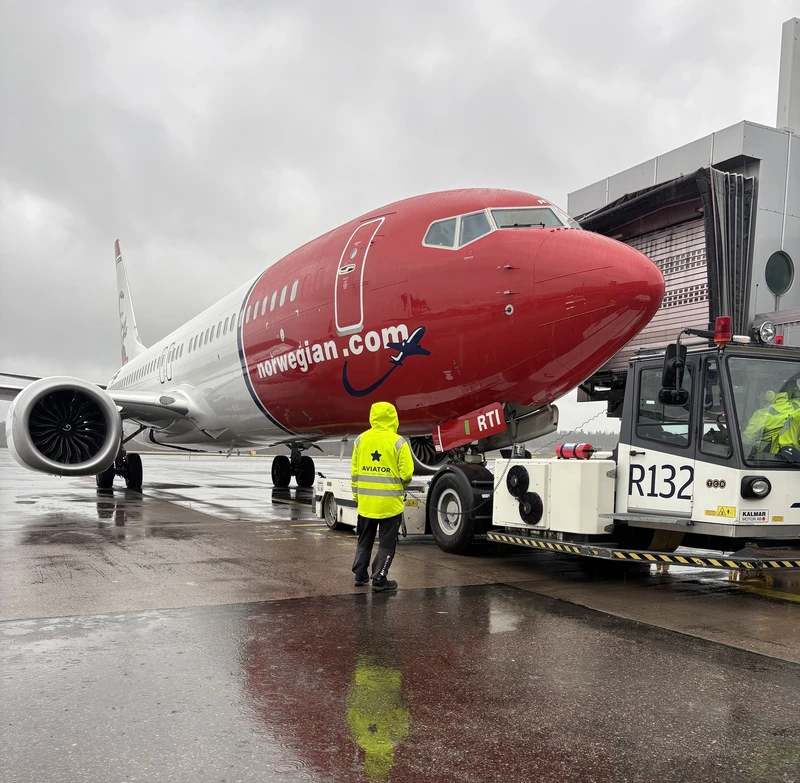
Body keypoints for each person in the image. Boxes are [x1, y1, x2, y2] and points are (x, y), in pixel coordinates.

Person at [351, 401, 414, 592]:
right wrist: (400, 486)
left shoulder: (360, 440)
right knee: (386, 545)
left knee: (364, 542)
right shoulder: (398, 442)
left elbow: (355, 473)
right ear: (393, 418)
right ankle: (379, 578)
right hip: (389, 505)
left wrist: (358, 496)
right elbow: (407, 474)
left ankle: (360, 576)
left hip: (366, 503)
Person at [743, 388, 800, 455]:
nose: (758, 397)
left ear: (769, 394)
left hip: (772, 458)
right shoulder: (798, 407)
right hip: (795, 456)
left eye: (760, 394)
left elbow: (747, 440)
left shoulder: (762, 414)